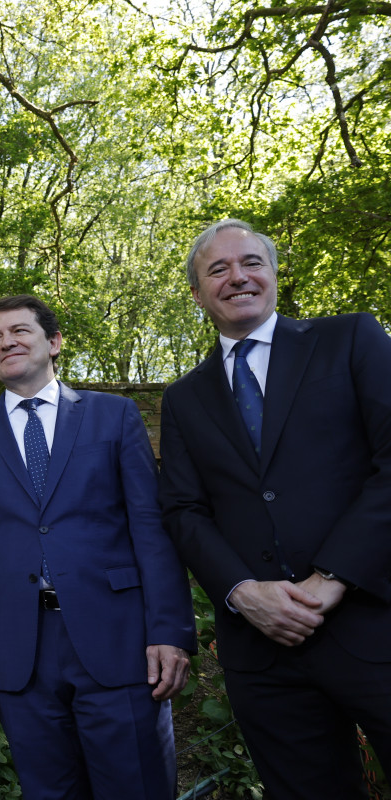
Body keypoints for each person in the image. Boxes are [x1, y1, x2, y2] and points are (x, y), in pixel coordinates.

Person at [159, 219, 391, 797]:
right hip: (264, 656)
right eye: (218, 269)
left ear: (274, 276)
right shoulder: (184, 399)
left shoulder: (351, 339)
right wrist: (242, 592)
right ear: (197, 293)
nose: (237, 276)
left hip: (373, 624)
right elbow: (184, 510)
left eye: (251, 263)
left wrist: (332, 577)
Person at [0, 294, 196, 799]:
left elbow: (150, 526)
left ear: (54, 343)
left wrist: (171, 629)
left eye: (20, 332)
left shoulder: (113, 416)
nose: (5, 342)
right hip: (18, 648)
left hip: (119, 639)